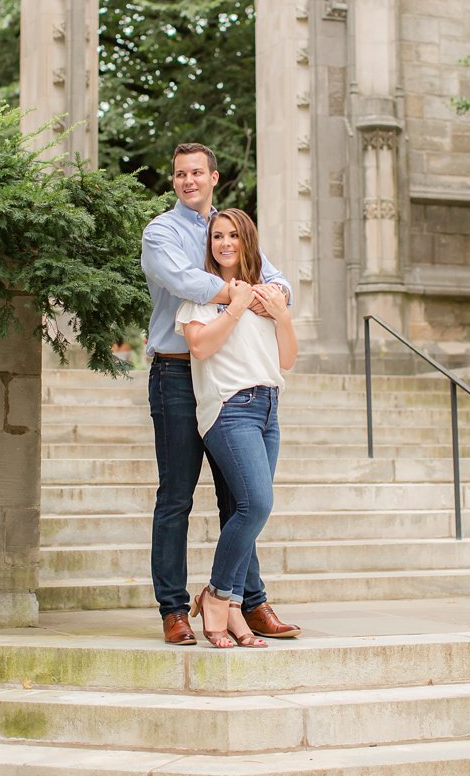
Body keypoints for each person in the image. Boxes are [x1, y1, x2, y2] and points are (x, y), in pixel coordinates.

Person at [140, 143, 302, 645]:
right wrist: (239, 295)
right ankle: (173, 609)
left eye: (196, 173)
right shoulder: (161, 231)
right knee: (176, 496)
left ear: (213, 177)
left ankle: (248, 602)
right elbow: (184, 280)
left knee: (243, 498)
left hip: (232, 382)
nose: (188, 181)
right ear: (174, 182)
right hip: (176, 373)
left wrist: (270, 297)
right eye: (179, 174)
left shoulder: (229, 228)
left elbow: (276, 282)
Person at [178, 207, 297, 648]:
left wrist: (280, 315)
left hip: (268, 408)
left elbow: (286, 359)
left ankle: (232, 608)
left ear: (248, 241)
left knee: (252, 508)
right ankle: (217, 595)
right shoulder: (202, 295)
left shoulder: (267, 295)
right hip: (230, 407)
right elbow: (199, 346)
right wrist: (234, 307)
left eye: (233, 236)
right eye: (217, 237)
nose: (224, 243)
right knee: (256, 504)